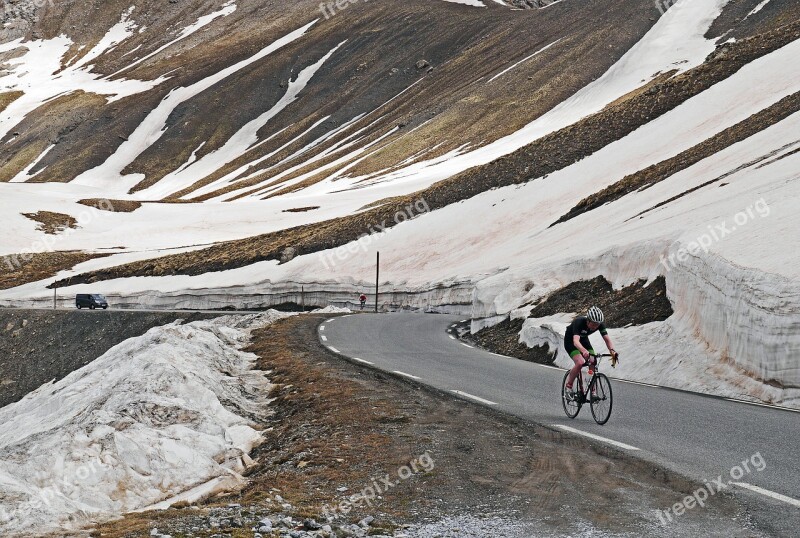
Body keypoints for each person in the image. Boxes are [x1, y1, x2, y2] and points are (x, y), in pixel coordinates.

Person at [564, 306, 618, 400]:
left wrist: (613, 352)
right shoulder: (579, 322)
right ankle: (568, 386)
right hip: (571, 341)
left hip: (584, 340)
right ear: (588, 321)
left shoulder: (599, 325)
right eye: (593, 324)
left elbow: (607, 340)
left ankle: (592, 389)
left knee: (593, 361)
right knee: (580, 362)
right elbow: (576, 341)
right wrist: (584, 351)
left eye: (597, 325)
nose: (595, 327)